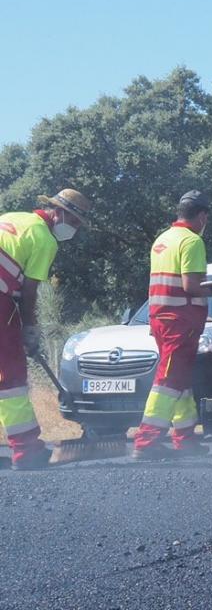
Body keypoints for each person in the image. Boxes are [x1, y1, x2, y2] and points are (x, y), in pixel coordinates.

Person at [0, 189, 91, 470]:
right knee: (12, 379)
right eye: (74, 221)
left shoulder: (12, 218)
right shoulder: (44, 238)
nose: (74, 229)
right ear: (57, 213)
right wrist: (30, 329)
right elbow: (30, 292)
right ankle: (27, 450)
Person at [132, 191, 212, 460]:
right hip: (182, 321)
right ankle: (146, 441)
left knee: (181, 380)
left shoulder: (162, 239)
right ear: (201, 216)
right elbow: (191, 286)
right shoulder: (192, 241)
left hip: (161, 318)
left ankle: (185, 438)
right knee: (168, 380)